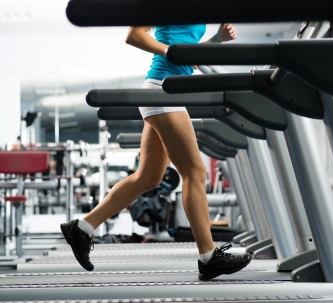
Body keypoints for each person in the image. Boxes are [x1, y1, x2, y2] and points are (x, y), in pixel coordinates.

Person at [60, 23, 251, 280]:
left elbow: (187, 58)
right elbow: (134, 35)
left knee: (148, 178)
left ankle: (82, 228)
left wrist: (216, 39)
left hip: (164, 92)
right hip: (163, 90)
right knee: (195, 173)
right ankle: (209, 256)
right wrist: (170, 51)